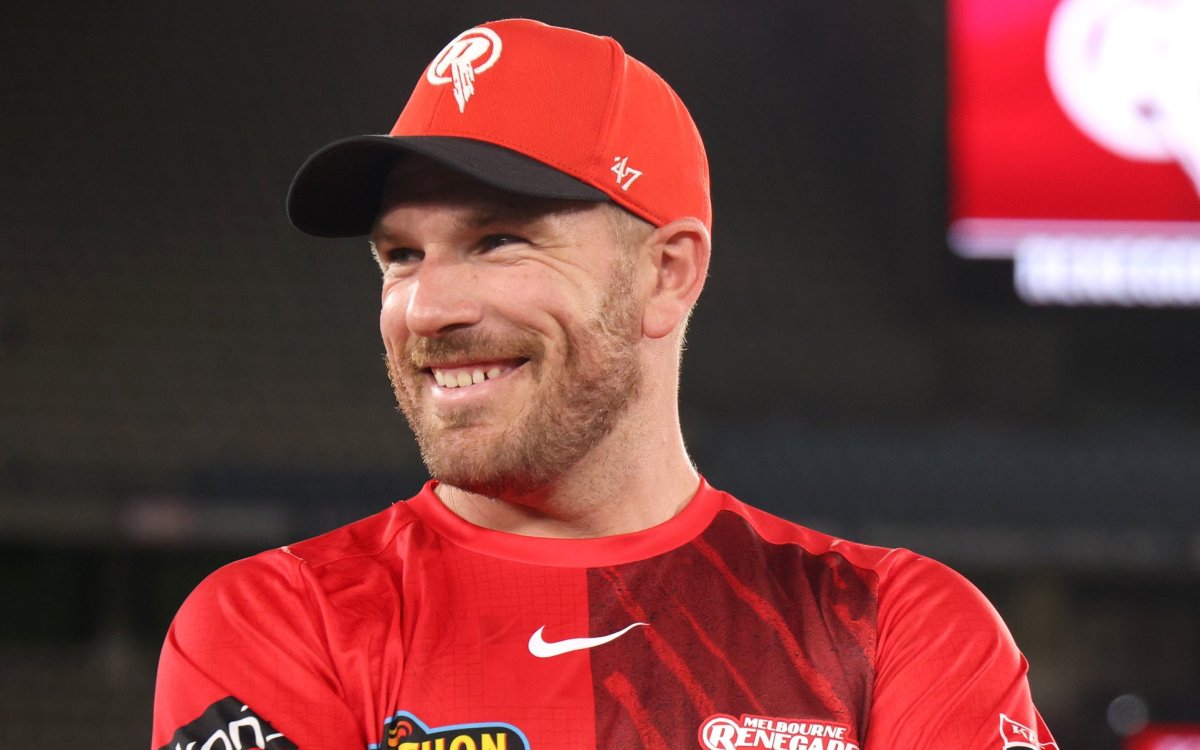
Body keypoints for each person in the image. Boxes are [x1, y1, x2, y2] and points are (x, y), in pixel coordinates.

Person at [152, 18, 1057, 750]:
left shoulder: (896, 627)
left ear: (667, 274)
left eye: (498, 240)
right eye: (400, 255)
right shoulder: (278, 619)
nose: (425, 308)